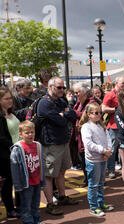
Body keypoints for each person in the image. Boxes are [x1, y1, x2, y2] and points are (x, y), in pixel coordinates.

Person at [36, 77, 79, 215]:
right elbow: (60, 121)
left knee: (61, 171)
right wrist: (64, 115)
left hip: (63, 140)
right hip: (51, 143)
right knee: (49, 175)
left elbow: (73, 115)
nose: (62, 90)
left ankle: (62, 196)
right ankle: (50, 203)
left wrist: (64, 114)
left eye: (63, 87)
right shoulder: (44, 103)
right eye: (59, 87)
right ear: (50, 87)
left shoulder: (61, 100)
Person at [10, 121, 50, 224]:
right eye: (27, 133)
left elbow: (41, 162)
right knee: (26, 206)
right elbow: (15, 167)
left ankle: (36, 222)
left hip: (36, 180)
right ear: (21, 134)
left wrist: (42, 179)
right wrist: (17, 185)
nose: (30, 135)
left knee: (35, 203)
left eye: (32, 132)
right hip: (25, 183)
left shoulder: (37, 145)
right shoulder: (17, 148)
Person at [0, 88, 20, 218]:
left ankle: (20, 205)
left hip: (16, 151)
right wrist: (13, 147)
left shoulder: (10, 112)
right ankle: (10, 209)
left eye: (10, 98)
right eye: (6, 99)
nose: (10, 101)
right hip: (4, 155)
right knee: (7, 183)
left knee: (18, 181)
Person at [80, 103, 114, 217]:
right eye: (96, 113)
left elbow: (108, 138)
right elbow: (89, 144)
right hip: (93, 160)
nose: (99, 115)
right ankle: (94, 207)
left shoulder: (101, 125)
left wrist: (108, 151)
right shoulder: (86, 127)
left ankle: (101, 203)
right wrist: (104, 151)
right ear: (89, 114)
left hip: (102, 158)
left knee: (100, 183)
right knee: (93, 184)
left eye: (100, 112)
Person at [102, 77, 124, 179]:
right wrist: (115, 109)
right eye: (122, 83)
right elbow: (103, 108)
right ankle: (111, 170)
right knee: (113, 149)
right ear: (116, 83)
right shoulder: (110, 94)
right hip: (113, 126)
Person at [73, 82, 96, 184]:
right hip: (79, 134)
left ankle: (93, 179)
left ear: (84, 92)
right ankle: (87, 178)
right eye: (75, 93)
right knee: (82, 157)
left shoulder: (91, 102)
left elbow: (87, 115)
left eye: (77, 92)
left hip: (89, 133)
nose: (76, 94)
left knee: (89, 157)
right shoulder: (79, 102)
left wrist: (73, 113)